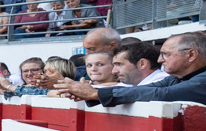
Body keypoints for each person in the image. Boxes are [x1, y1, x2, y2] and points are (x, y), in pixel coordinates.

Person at [57, 33, 206, 105]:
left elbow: (160, 94)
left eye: (166, 54)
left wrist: (94, 93)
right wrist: (91, 94)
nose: (160, 60)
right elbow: (147, 89)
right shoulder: (176, 78)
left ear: (191, 55)